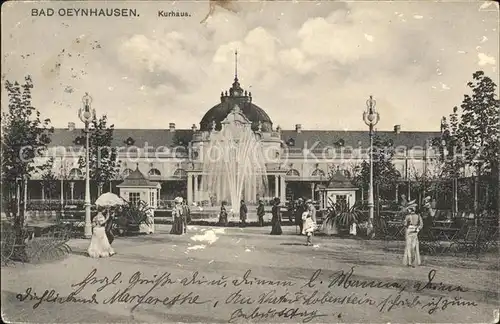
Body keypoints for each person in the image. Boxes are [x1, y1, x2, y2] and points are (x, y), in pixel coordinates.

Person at [403, 200, 424, 267]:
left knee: (408, 246)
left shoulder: (407, 217)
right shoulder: (418, 216)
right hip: (415, 231)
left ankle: (409, 262)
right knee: (414, 246)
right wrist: (417, 229)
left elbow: (405, 224)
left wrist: (405, 223)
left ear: (410, 209)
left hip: (409, 230)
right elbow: (421, 225)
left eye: (408, 209)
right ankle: (415, 261)